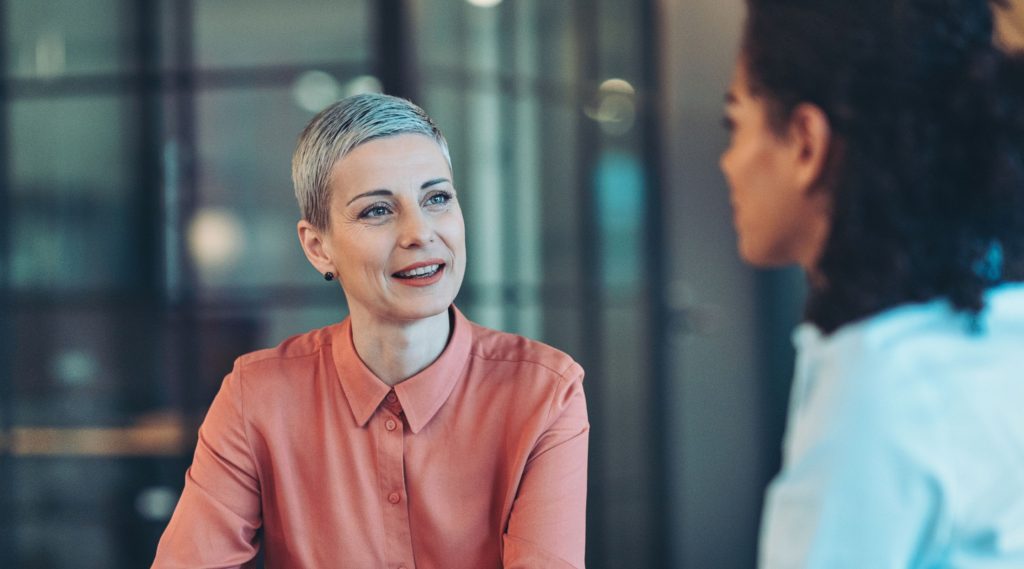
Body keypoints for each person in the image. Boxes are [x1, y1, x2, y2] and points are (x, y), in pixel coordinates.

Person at [152, 94, 589, 568]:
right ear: (319, 248)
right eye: (377, 210)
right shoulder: (256, 395)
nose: (419, 233)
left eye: (436, 198)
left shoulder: (544, 392)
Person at [719, 0, 1024, 566]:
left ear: (806, 143)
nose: (728, 163)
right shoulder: (1000, 324)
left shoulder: (877, 390)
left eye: (735, 125)